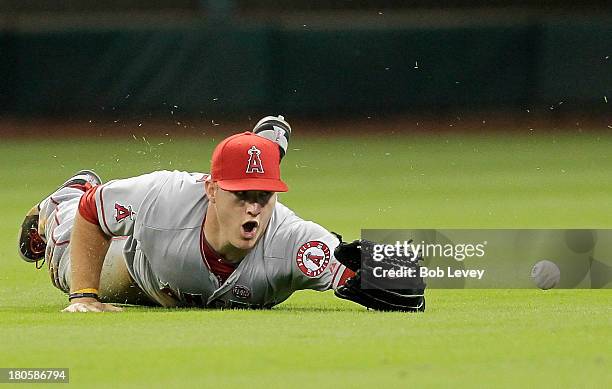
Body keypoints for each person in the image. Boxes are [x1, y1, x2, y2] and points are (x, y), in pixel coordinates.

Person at [18, 116, 425, 313]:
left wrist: (398, 278)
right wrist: (84, 297)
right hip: (137, 264)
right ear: (211, 189)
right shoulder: (165, 196)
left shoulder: (295, 242)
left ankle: (259, 151)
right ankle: (64, 198)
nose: (254, 208)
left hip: (178, 266)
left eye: (264, 195)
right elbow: (97, 211)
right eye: (240, 195)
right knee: (67, 263)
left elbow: (346, 267)